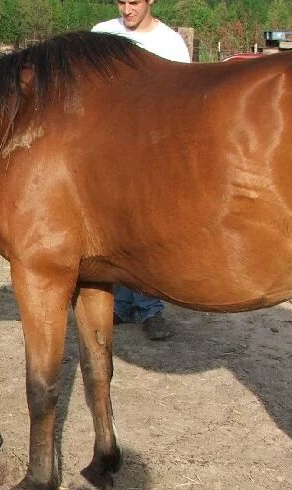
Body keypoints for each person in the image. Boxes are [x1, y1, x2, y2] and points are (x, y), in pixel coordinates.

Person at [92, 0, 191, 340]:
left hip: (152, 155)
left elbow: (181, 103)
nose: (126, 9)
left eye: (134, 2)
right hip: (109, 153)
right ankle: (120, 303)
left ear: (150, 1)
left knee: (148, 232)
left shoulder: (170, 44)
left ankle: (151, 307)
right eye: (121, 2)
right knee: (114, 228)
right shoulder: (102, 34)